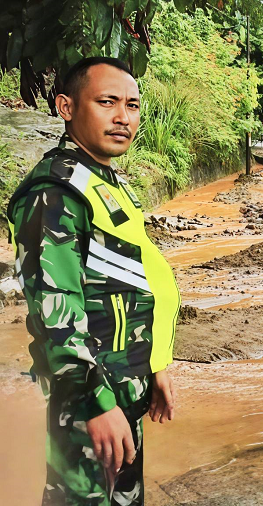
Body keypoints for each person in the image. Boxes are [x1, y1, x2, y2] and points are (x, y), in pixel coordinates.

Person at [5, 57, 179, 505]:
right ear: (66, 106)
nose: (124, 117)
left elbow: (133, 280)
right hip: (91, 403)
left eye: (133, 105)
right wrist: (95, 404)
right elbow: (56, 316)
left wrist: (154, 363)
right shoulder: (53, 192)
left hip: (124, 394)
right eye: (107, 102)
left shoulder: (103, 180)